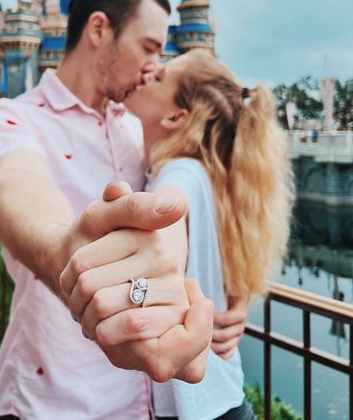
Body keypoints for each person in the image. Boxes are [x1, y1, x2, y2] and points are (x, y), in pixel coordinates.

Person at [0, 0, 219, 420]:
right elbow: (19, 189)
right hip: (52, 403)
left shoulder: (135, 127)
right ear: (100, 29)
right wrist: (68, 251)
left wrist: (229, 300)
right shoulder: (10, 118)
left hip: (141, 404)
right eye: (148, 47)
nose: (154, 67)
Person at [66, 49, 293, 420]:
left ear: (176, 116)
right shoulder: (200, 171)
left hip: (201, 410)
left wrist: (140, 278)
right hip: (221, 399)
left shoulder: (180, 175)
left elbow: (169, 215)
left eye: (159, 77)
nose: (148, 73)